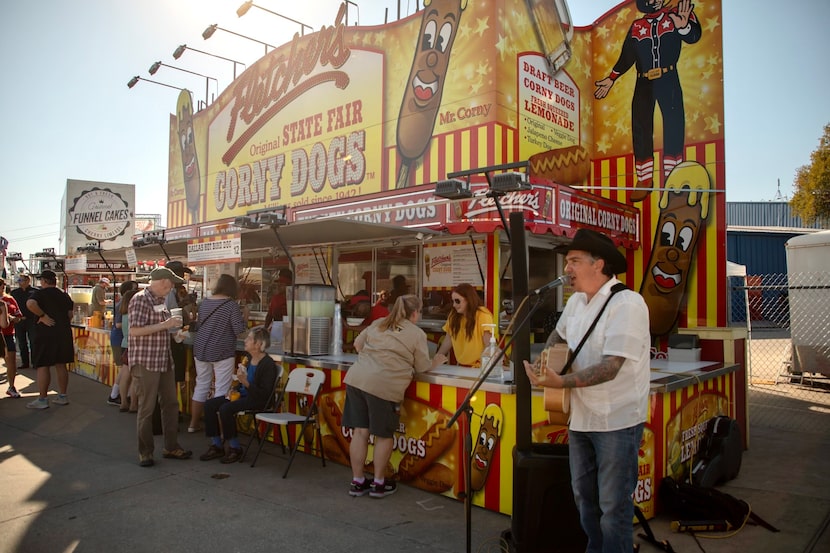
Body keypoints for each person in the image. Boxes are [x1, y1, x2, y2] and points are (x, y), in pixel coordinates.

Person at [522, 229, 650, 553]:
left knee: (613, 507)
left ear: (599, 264)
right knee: (584, 500)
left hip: (617, 422)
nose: (567, 269)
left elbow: (612, 366)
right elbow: (558, 336)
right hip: (581, 419)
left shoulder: (628, 303)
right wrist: (543, 361)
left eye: (574, 261)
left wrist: (560, 382)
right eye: (567, 262)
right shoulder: (577, 301)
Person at [343, 294, 446, 498]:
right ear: (415, 313)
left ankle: (358, 481)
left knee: (360, 432)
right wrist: (438, 362)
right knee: (383, 435)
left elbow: (357, 345)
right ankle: (379, 484)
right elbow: (422, 367)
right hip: (384, 386)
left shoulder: (378, 323)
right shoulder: (416, 334)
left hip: (356, 379)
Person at [128, 267, 191, 466]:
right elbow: (134, 331)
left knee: (171, 404)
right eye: (172, 283)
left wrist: (175, 334)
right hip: (146, 361)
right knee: (147, 407)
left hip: (163, 359)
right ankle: (145, 452)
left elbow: (160, 327)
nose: (172, 287)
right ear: (164, 282)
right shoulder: (140, 299)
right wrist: (166, 326)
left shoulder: (160, 300)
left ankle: (171, 446)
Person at [199, 327, 279, 464]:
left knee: (226, 409)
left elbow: (264, 394)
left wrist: (245, 383)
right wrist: (234, 388)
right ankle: (217, 444)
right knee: (209, 405)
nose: (245, 341)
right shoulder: (248, 358)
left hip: (257, 399)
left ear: (258, 344)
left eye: (249, 339)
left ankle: (235, 448)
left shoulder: (268, 364)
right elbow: (241, 382)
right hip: (243, 395)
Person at [189, 274, 247, 433]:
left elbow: (201, 323)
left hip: (201, 348)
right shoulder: (231, 305)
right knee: (222, 389)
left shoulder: (205, 302)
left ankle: (193, 424)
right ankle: (221, 430)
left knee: (201, 385)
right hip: (222, 350)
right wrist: (245, 317)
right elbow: (239, 330)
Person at [25, 270, 75, 409]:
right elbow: (70, 314)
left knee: (43, 365)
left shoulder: (39, 294)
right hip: (63, 333)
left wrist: (42, 315)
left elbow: (30, 304)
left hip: (45, 334)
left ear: (44, 281)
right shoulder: (64, 295)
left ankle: (42, 399)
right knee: (61, 364)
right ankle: (63, 396)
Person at [434, 283, 494, 367]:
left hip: (479, 367)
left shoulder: (483, 315)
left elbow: (489, 344)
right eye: (453, 301)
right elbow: (448, 340)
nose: (454, 305)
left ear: (468, 299)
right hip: (461, 366)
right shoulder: (453, 315)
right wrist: (435, 360)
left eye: (457, 301)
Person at [107, 281, 139, 406]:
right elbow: (118, 324)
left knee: (125, 371)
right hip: (122, 340)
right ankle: (118, 396)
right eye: (134, 289)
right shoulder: (125, 306)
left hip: (123, 340)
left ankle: (120, 396)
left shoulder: (125, 305)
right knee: (127, 372)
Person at [117, 288, 140, 413]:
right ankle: (134, 404)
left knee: (125, 377)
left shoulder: (125, 314)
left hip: (125, 345)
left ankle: (123, 402)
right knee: (135, 377)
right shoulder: (135, 314)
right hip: (136, 346)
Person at [1, 278, 25, 398]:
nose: (2, 287)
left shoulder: (9, 299)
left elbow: (19, 316)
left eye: (3, 285)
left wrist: (11, 318)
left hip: (8, 334)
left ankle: (11, 387)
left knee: (11, 361)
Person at [10, 273, 37, 370]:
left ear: (27, 281)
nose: (19, 283)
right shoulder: (15, 293)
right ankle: (24, 362)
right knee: (21, 342)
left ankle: (35, 362)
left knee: (33, 341)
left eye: (21, 280)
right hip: (19, 321)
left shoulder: (35, 292)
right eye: (19, 281)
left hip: (32, 320)